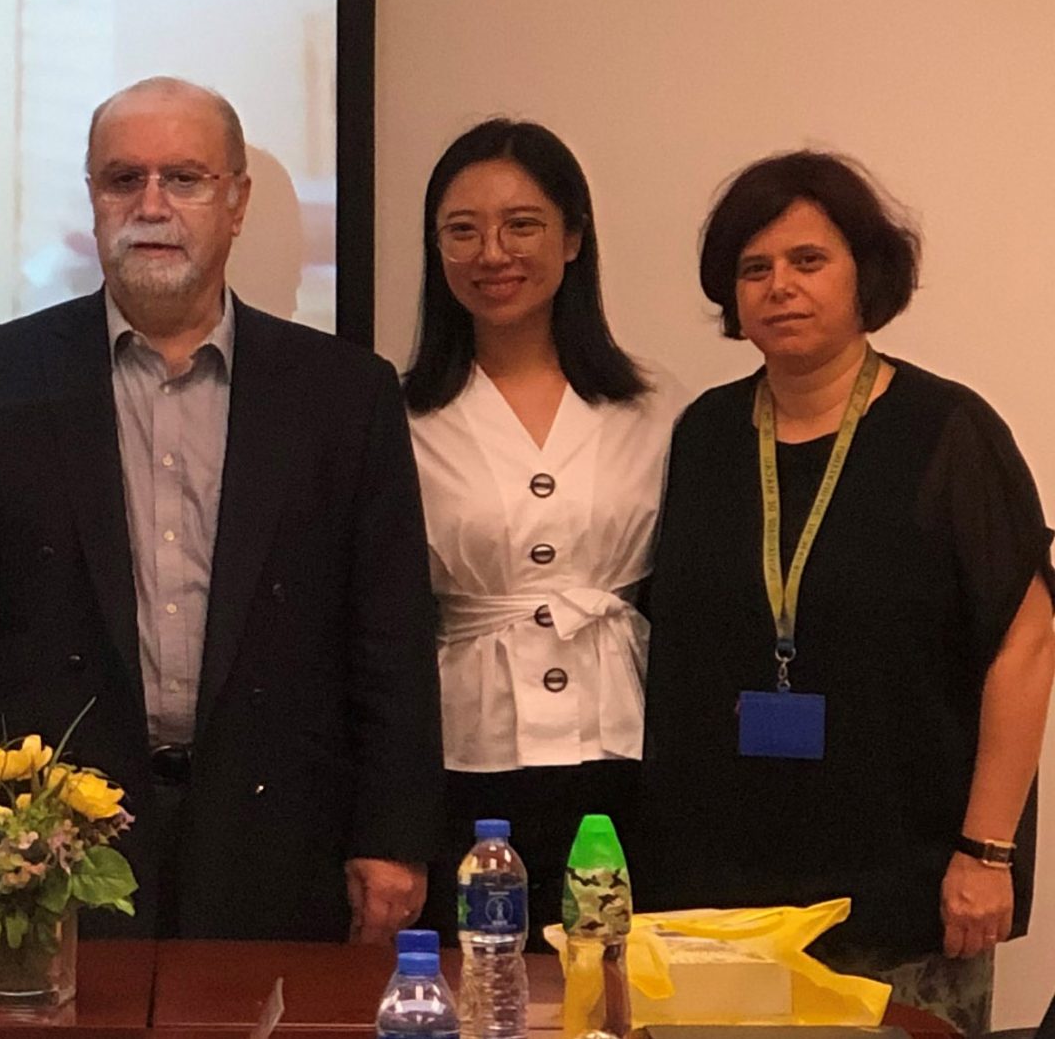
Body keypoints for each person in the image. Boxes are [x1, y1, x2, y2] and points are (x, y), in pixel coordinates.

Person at [0, 77, 441, 942]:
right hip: (45, 845)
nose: (151, 205)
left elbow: (390, 633)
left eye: (185, 179)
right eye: (124, 179)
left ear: (237, 203)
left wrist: (392, 836)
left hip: (282, 832)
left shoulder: (345, 394)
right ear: (93, 199)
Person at [642, 151, 1055, 1037]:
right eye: (755, 268)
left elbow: (1026, 644)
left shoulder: (948, 431)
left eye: (808, 260)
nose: (780, 287)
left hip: (902, 887)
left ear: (865, 273)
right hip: (719, 895)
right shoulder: (705, 435)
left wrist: (988, 852)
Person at [402, 119, 673, 936]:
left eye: (522, 224)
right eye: (463, 230)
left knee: (615, 982)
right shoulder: (399, 414)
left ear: (574, 238)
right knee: (481, 977)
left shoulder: (653, 407)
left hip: (624, 753)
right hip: (464, 755)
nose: (493, 253)